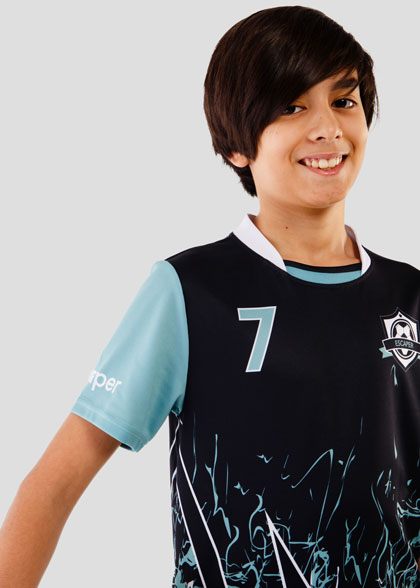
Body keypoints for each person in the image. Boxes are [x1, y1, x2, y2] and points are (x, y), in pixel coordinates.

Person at [1, 5, 420, 587]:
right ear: (236, 147)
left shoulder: (408, 294)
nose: (328, 127)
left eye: (344, 101)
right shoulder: (190, 290)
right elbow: (53, 485)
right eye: (292, 106)